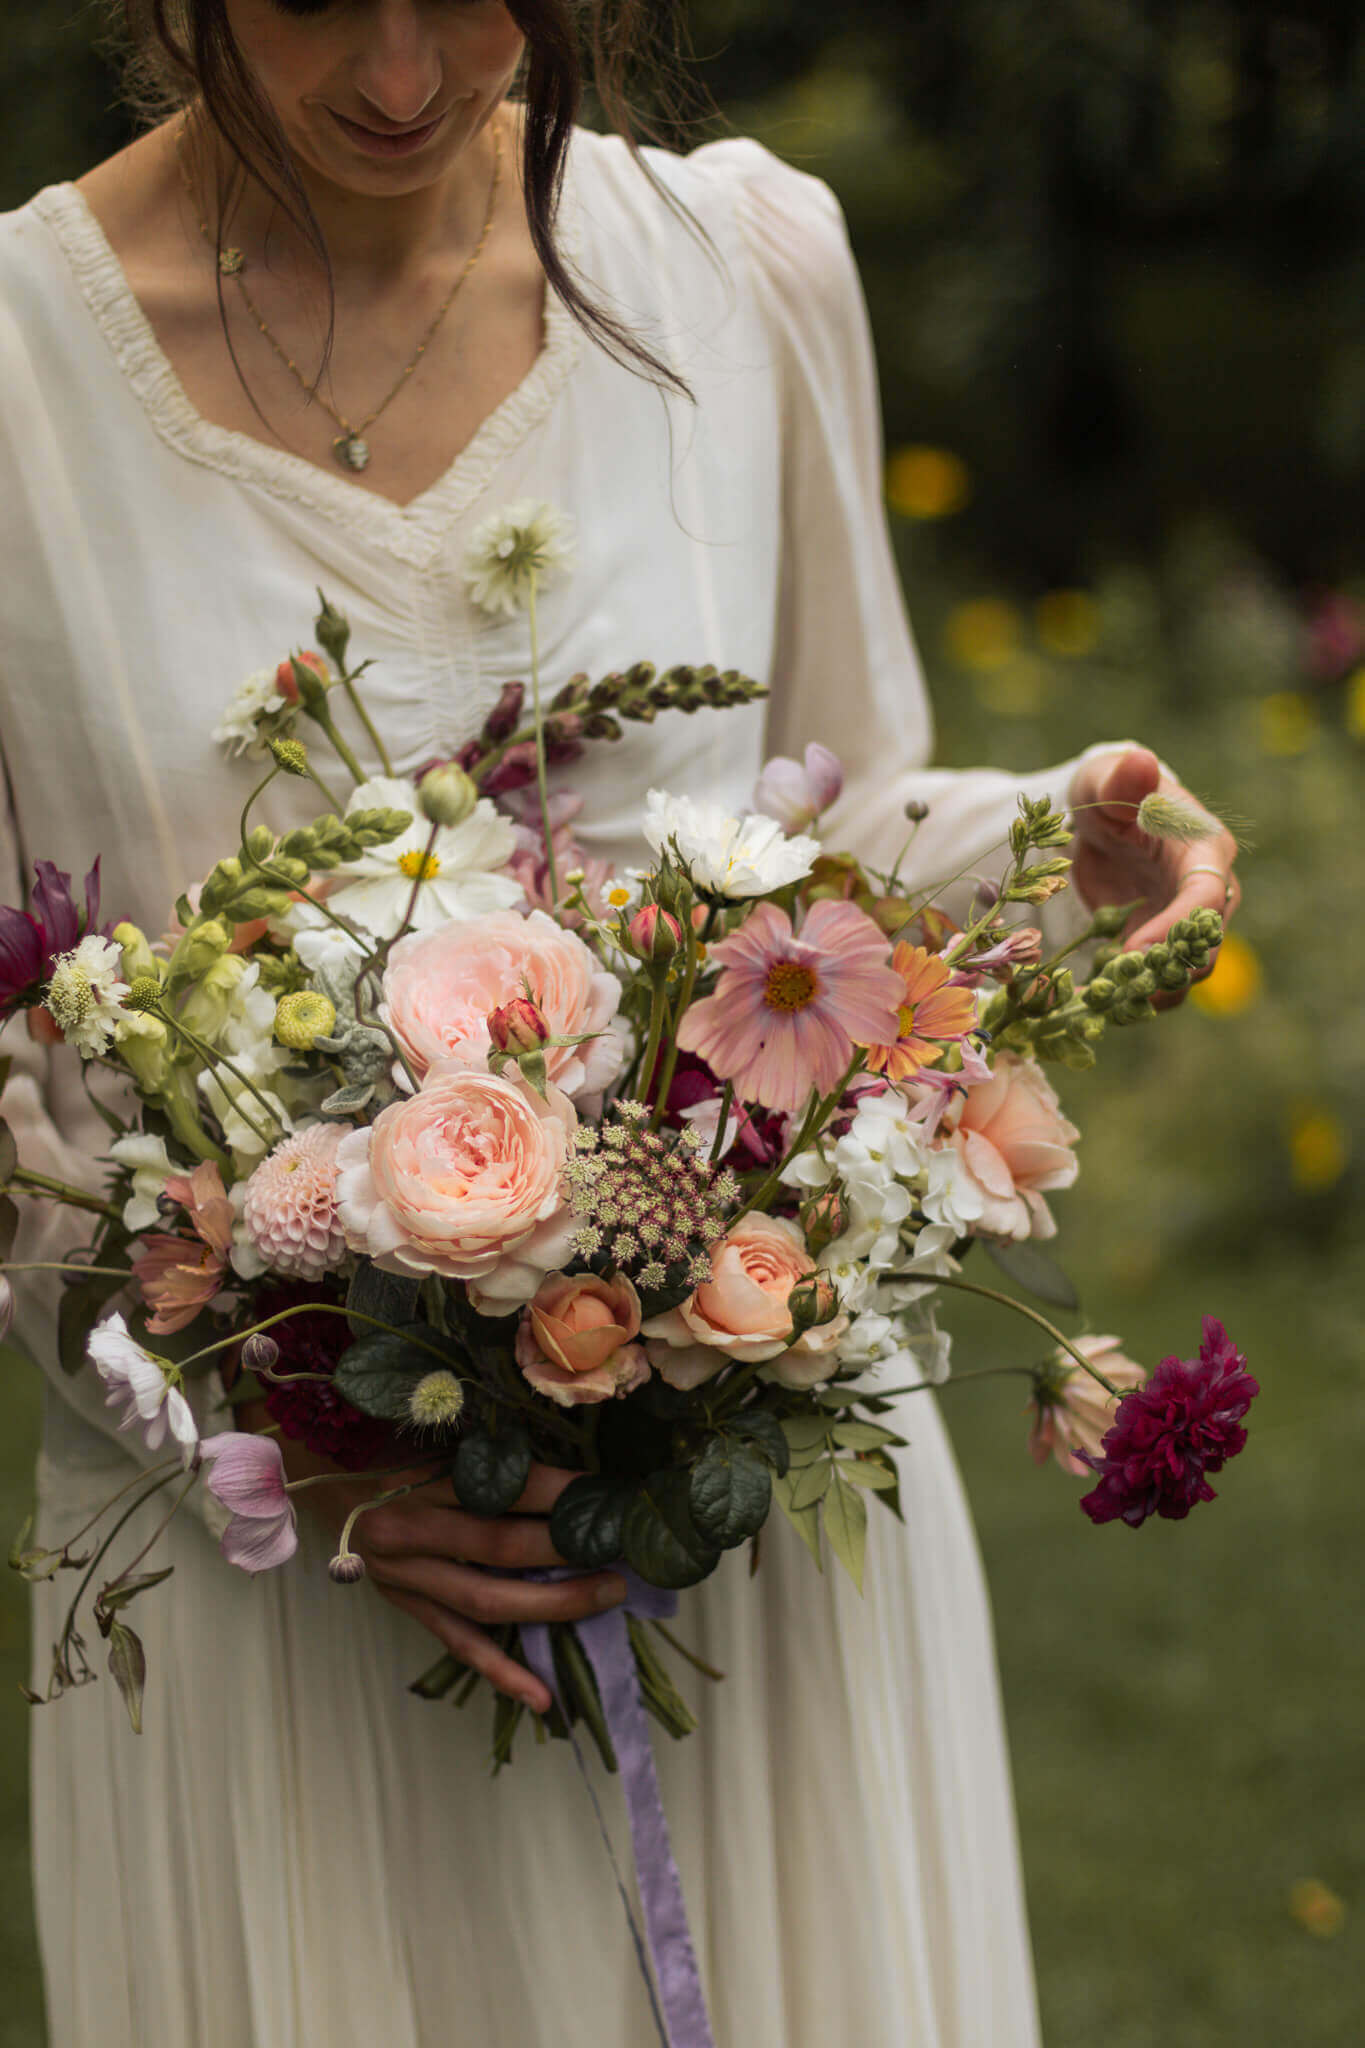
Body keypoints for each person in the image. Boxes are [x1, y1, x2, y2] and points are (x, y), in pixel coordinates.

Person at [0, 3, 1241, 2043]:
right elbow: (19, 1101)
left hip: (746, 1538)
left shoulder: (742, 271)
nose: (401, 73)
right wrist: (295, 1467)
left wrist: (1049, 835)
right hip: (297, 1639)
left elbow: (815, 833)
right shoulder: (24, 383)